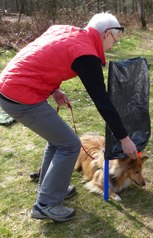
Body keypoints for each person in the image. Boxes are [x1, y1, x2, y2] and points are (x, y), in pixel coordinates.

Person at [0, 12, 139, 222]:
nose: (112, 47)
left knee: (59, 140)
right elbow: (102, 102)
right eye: (114, 41)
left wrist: (54, 88)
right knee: (70, 144)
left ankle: (51, 187)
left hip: (12, 87)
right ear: (107, 34)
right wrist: (124, 138)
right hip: (20, 96)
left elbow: (44, 56)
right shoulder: (87, 54)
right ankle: (46, 203)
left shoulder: (64, 30)